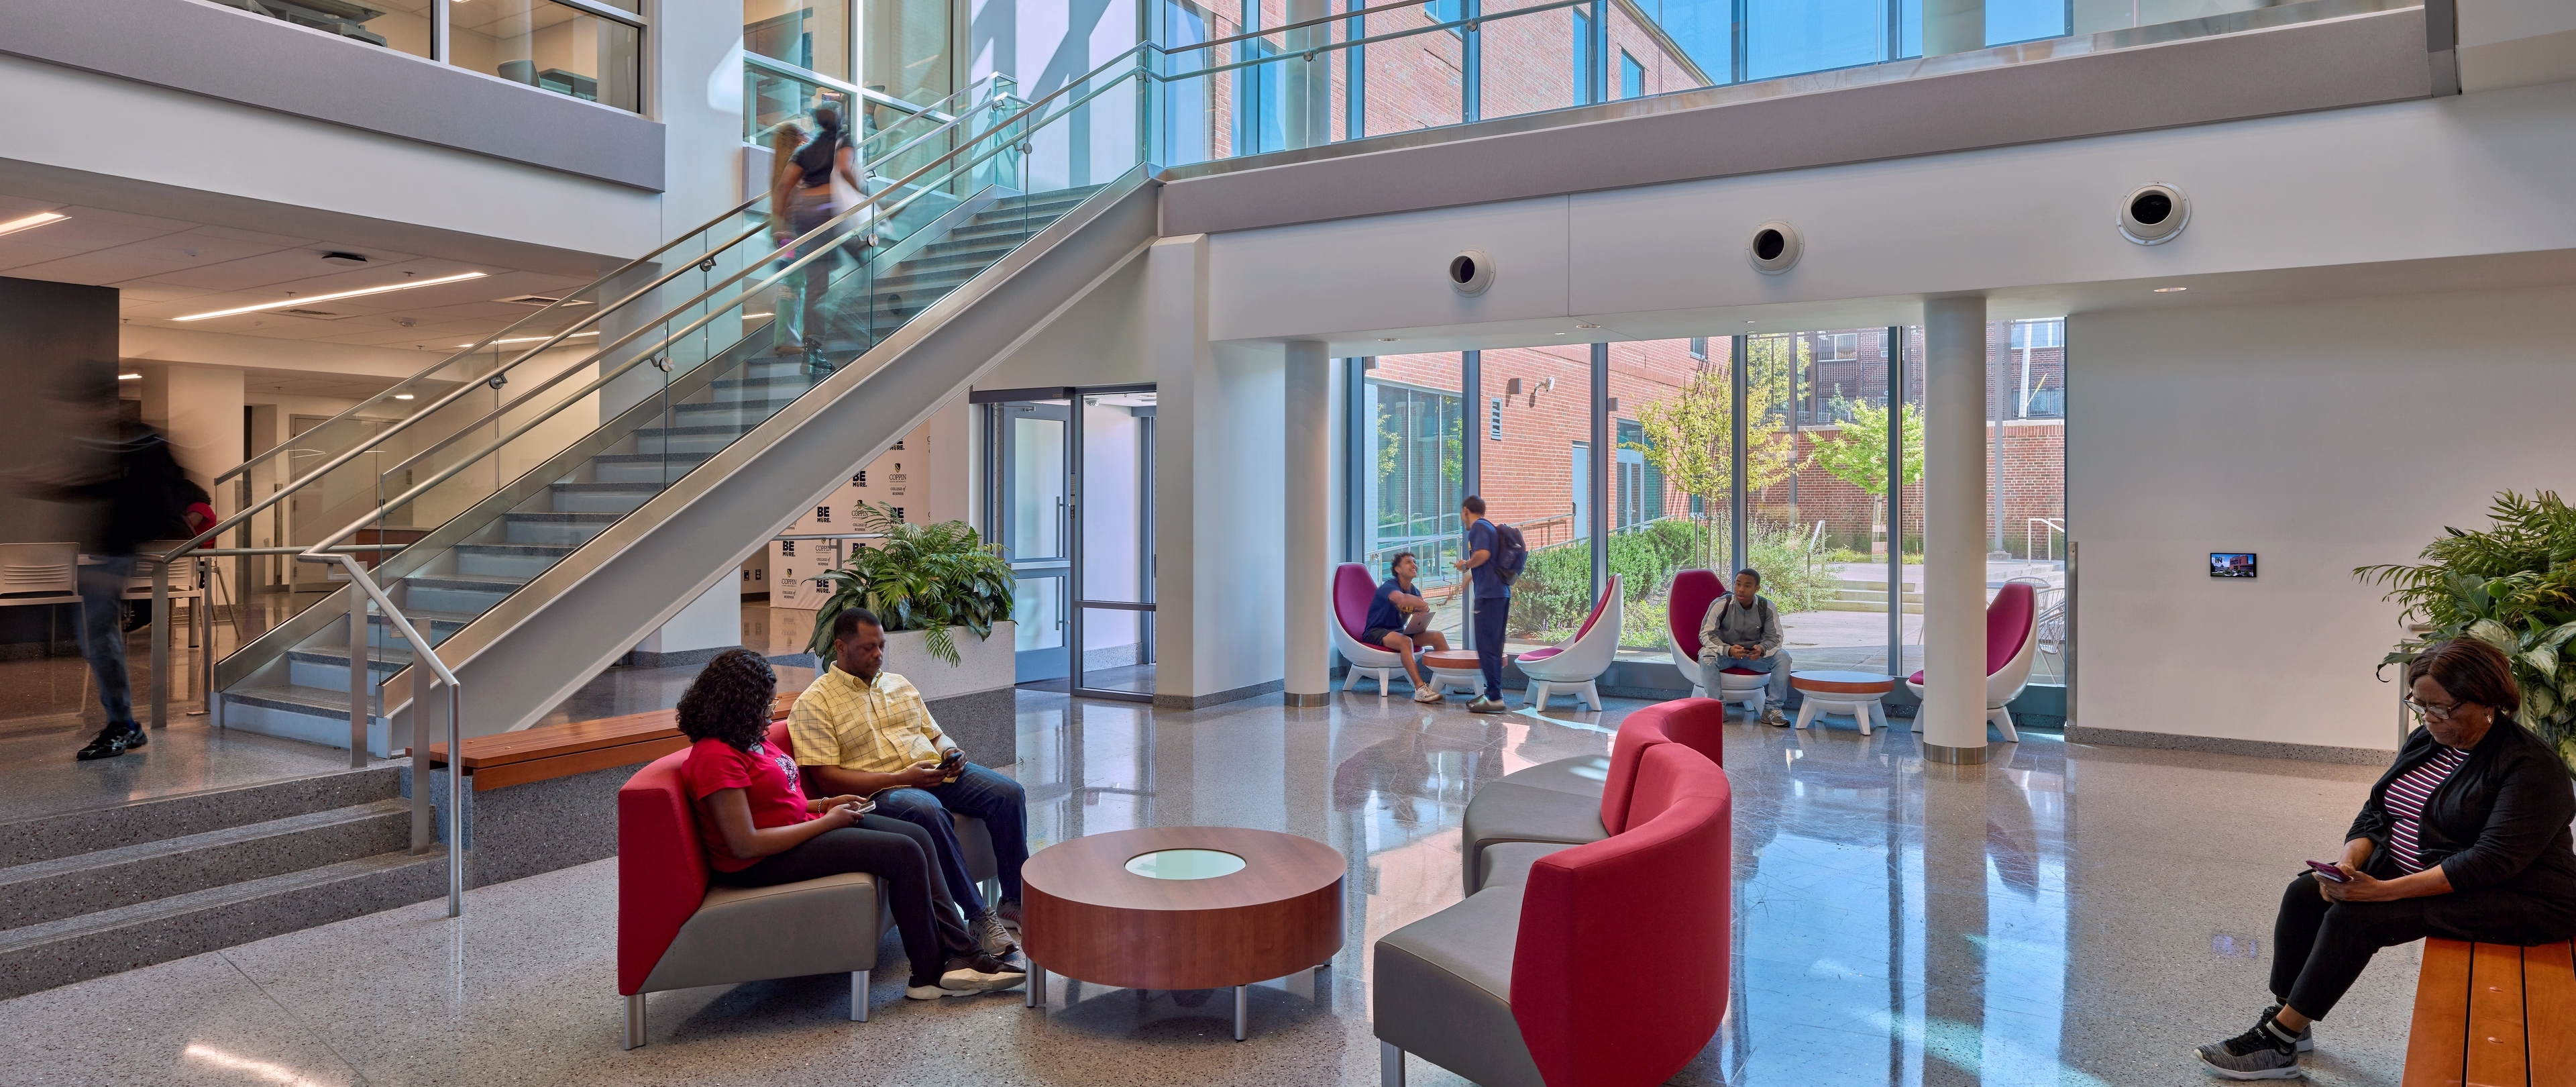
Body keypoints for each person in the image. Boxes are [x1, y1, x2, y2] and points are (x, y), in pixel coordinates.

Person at [2195, 638, 2576, 1079]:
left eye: (2444, 709)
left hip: (2521, 897)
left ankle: (2277, 1044)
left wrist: (2381, 893)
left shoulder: (2531, 767)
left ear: (2488, 699)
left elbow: (2488, 863)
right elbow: (2379, 810)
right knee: (2305, 894)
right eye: (2421, 705)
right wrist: (2349, 865)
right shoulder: (2426, 741)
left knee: (2357, 918)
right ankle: (2288, 1018)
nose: (2431, 719)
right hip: (2435, 866)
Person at [676, 649, 1023, 1000]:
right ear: (737, 704)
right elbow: (745, 843)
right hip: (761, 862)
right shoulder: (715, 757)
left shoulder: (748, 742)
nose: (771, 712)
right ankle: (934, 970)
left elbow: (777, 804)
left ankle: (959, 958)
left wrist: (826, 804)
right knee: (903, 852)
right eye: (764, 705)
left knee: (918, 836)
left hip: (797, 832)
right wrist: (827, 823)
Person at [792, 608, 1032, 960]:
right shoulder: (814, 703)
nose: (878, 655)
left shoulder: (899, 684)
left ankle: (1014, 901)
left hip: (934, 773)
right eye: (867, 648)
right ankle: (977, 916)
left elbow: (934, 735)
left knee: (1008, 793)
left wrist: (950, 751)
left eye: (881, 646)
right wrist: (905, 778)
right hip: (884, 791)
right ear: (841, 648)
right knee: (926, 810)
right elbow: (827, 778)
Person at [15, 371, 193, 760]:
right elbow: (108, 490)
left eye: (80, 409)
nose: (76, 419)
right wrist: (57, 487)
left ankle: (124, 726)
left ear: (102, 405)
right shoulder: (111, 443)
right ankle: (124, 723)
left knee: (98, 636)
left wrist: (121, 552)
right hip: (101, 554)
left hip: (118, 555)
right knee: (94, 640)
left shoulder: (145, 443)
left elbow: (165, 496)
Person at [769, 101, 873, 364]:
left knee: (816, 285)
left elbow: (783, 188)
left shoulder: (806, 150)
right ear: (839, 119)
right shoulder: (843, 140)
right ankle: (843, 320)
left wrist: (780, 226)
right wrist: (864, 193)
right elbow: (846, 169)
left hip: (806, 214)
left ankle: (812, 346)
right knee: (861, 255)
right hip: (829, 211)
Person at [1700, 568, 1790, 725]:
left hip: (1753, 657)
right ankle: (1716, 708)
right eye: (1738, 584)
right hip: (1726, 655)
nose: (1741, 589)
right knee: (1706, 655)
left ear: (1757, 588)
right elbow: (1706, 634)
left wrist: (1762, 650)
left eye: (1747, 586)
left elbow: (1775, 638)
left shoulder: (1766, 607)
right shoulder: (1721, 604)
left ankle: (1772, 710)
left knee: (1783, 657)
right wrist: (1728, 650)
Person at [1363, 552, 1451, 704]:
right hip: (1376, 631)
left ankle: (1452, 681)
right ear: (1398, 569)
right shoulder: (1389, 586)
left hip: (1398, 630)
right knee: (1406, 642)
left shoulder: (1414, 591)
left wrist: (1423, 611)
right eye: (1408, 562)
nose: (1414, 565)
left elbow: (1419, 607)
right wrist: (1421, 604)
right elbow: (1401, 599)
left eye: (1414, 562)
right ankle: (1420, 689)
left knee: (1437, 636)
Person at [1451, 497, 1509, 714]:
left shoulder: (1477, 528)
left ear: (1466, 510)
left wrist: (1466, 564)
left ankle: (1494, 697)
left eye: (1461, 513)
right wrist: (1468, 579)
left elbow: (1482, 555)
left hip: (1489, 597)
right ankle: (1494, 694)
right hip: (1500, 593)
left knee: (1486, 647)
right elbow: (1488, 562)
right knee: (1493, 646)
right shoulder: (1490, 528)